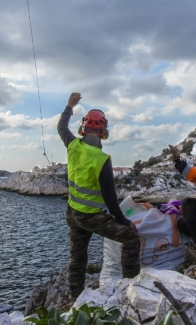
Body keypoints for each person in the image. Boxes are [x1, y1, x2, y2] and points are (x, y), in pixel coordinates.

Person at [57, 92, 140, 299]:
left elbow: (61, 127)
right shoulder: (102, 159)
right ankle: (130, 290)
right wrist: (124, 221)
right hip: (91, 217)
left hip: (73, 212)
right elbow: (111, 201)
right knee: (130, 238)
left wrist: (70, 105)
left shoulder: (73, 145)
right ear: (103, 132)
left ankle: (77, 299)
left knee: (77, 259)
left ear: (83, 129)